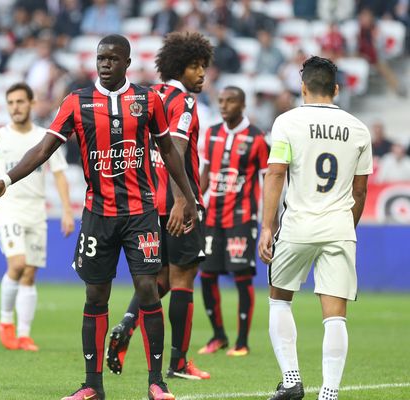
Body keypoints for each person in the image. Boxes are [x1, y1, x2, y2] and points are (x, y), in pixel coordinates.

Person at [0, 34, 198, 400]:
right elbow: (43, 148)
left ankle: (156, 382)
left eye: (113, 58)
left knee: (148, 289)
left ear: (127, 62)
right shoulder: (76, 101)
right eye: (101, 58)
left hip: (140, 213)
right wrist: (5, 181)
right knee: (96, 295)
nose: (105, 64)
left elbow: (169, 150)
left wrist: (186, 198)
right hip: (98, 214)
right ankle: (92, 385)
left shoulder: (147, 100)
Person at [258, 56, 372, 400]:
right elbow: (360, 189)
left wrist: (267, 228)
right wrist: (345, 226)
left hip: (296, 227)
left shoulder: (287, 122)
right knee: (335, 316)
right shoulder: (358, 128)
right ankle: (329, 394)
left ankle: (291, 379)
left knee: (279, 300)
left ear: (303, 87)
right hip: (338, 226)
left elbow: (276, 173)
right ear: (336, 89)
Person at [106, 31, 213, 381]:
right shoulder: (184, 102)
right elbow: (177, 149)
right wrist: (185, 201)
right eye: (196, 66)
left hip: (147, 203)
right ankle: (179, 362)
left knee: (160, 279)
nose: (201, 74)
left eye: (203, 67)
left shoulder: (148, 96)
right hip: (177, 203)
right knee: (183, 279)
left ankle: (125, 325)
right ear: (179, 67)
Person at [0, 82, 75, 352]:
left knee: (30, 273)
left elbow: (60, 174)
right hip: (9, 208)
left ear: (31, 103)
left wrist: (66, 209)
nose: (15, 107)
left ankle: (24, 334)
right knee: (17, 264)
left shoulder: (45, 137)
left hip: (36, 210)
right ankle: (6, 322)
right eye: (11, 103)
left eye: (20, 102)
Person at [196, 86, 269, 357]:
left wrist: (268, 221)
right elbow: (205, 172)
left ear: (243, 104)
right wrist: (195, 202)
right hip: (212, 216)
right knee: (207, 275)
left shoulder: (257, 138)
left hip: (242, 217)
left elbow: (267, 179)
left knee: (241, 277)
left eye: (230, 101)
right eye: (221, 101)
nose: (224, 105)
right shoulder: (212, 133)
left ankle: (242, 342)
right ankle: (218, 336)